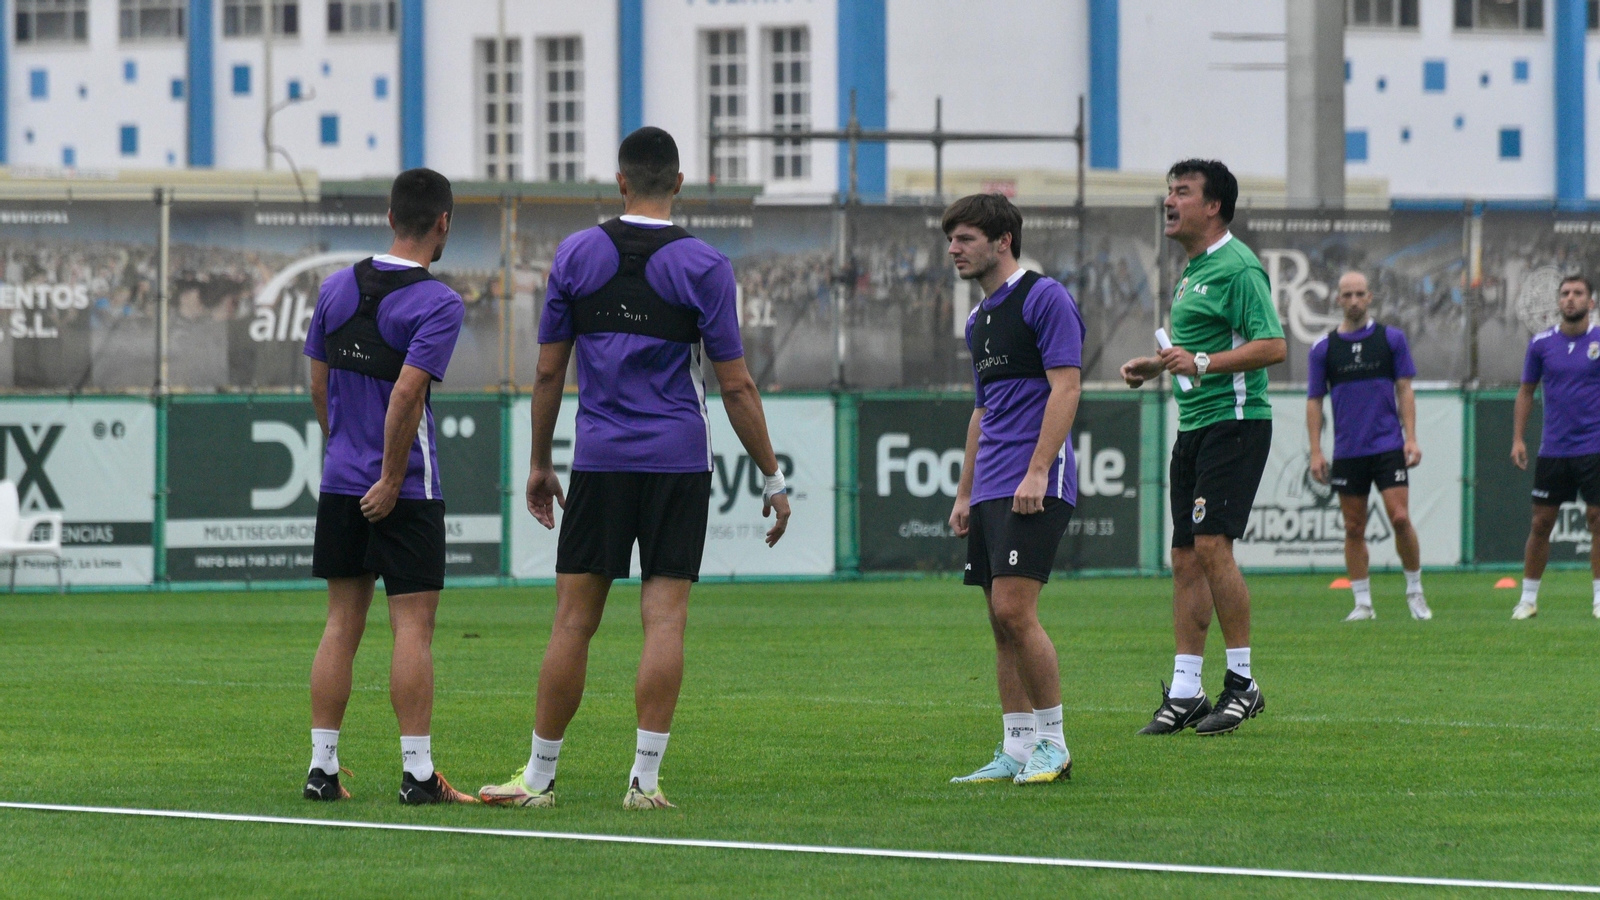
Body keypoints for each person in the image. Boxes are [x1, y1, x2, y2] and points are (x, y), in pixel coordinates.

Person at [479, 127, 792, 810]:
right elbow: (736, 386)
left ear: (620, 182)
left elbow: (546, 370)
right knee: (665, 619)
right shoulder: (705, 265)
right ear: (678, 183)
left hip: (599, 458)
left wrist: (539, 462)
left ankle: (537, 779)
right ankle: (643, 783)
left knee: (571, 622)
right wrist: (771, 478)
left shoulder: (575, 253)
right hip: (679, 460)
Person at [301, 168, 475, 804]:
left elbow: (318, 383)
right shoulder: (437, 302)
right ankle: (419, 776)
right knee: (412, 631)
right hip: (408, 488)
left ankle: (322, 770)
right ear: (442, 224)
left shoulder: (333, 287)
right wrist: (392, 476)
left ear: (389, 217)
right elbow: (407, 393)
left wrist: (344, 449)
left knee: (340, 625)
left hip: (342, 481)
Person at [1119, 159, 1286, 737]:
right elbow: (1195, 354)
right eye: (1168, 191)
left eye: (1182, 192)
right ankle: (1187, 689)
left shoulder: (1238, 266)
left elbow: (1273, 345)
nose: (1169, 201)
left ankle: (1242, 683)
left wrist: (1203, 362)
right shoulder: (1194, 272)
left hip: (1235, 423)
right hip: (1195, 425)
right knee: (1186, 556)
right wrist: (1156, 365)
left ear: (1213, 206)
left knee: (1213, 545)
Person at [943, 194, 1084, 786]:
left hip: (1034, 482)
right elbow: (982, 411)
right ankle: (1017, 747)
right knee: (998, 621)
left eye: (966, 238)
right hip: (992, 484)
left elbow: (1066, 388)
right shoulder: (978, 319)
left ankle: (1053, 742)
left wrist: (1037, 469)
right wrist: (964, 490)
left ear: (1002, 241)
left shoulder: (1044, 297)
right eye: (950, 239)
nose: (953, 249)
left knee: (1013, 609)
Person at [1307, 272, 1431, 621]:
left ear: (1370, 297)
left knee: (1401, 518)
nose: (1354, 301)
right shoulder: (1324, 348)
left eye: (1360, 294)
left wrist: (1411, 437)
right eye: (1347, 295)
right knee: (1353, 528)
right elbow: (1314, 401)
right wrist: (1316, 451)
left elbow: (1404, 389)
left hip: (1387, 446)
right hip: (1348, 451)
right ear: (1337, 300)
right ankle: (1362, 602)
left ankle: (1415, 592)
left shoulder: (1391, 339)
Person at [1509, 275, 1600, 619]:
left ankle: (1599, 598)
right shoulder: (1541, 343)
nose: (1571, 299)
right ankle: (1528, 599)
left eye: (1578, 293)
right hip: (1555, 450)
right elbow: (1526, 391)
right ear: (1558, 301)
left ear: (1590, 302)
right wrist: (1518, 438)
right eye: (1565, 294)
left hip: (1595, 446)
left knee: (1597, 519)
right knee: (1541, 523)